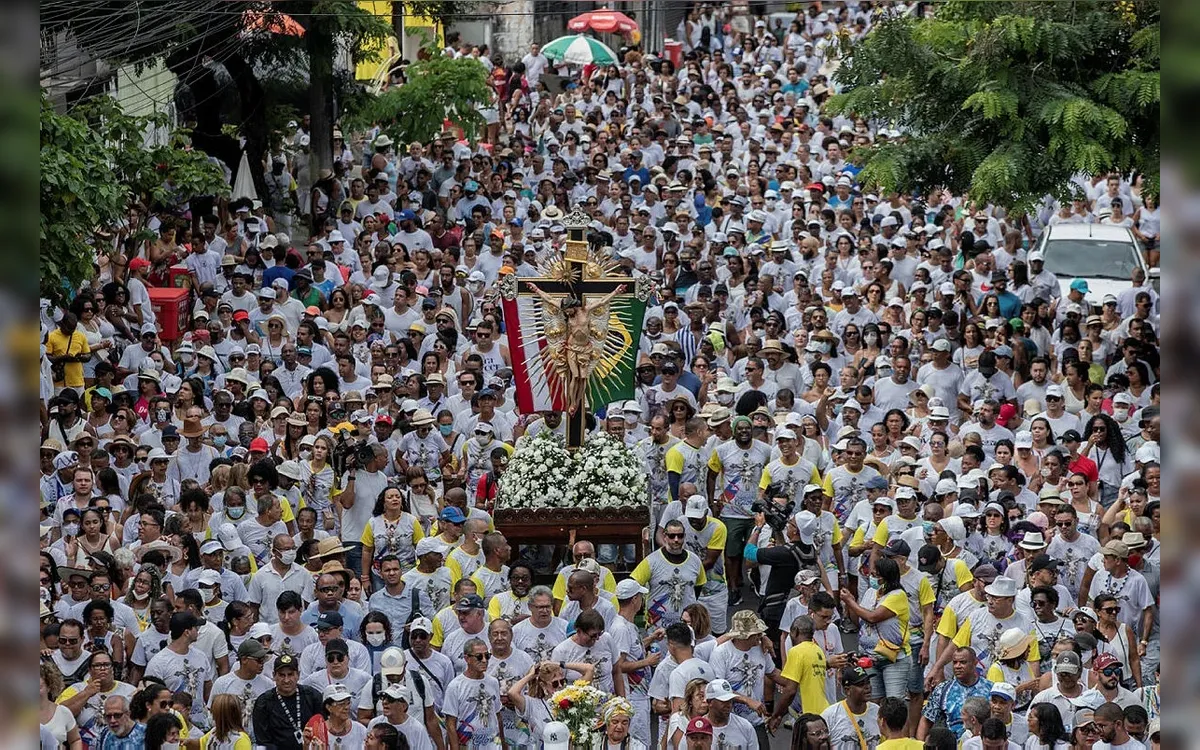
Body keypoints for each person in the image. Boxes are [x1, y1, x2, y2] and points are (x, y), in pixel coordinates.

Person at [252, 654, 323, 750]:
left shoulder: (312, 696)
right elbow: (263, 741)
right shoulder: (264, 703)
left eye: (290, 674)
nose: (286, 680)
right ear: (274, 676)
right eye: (281, 675)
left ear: (298, 675)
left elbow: (322, 730)